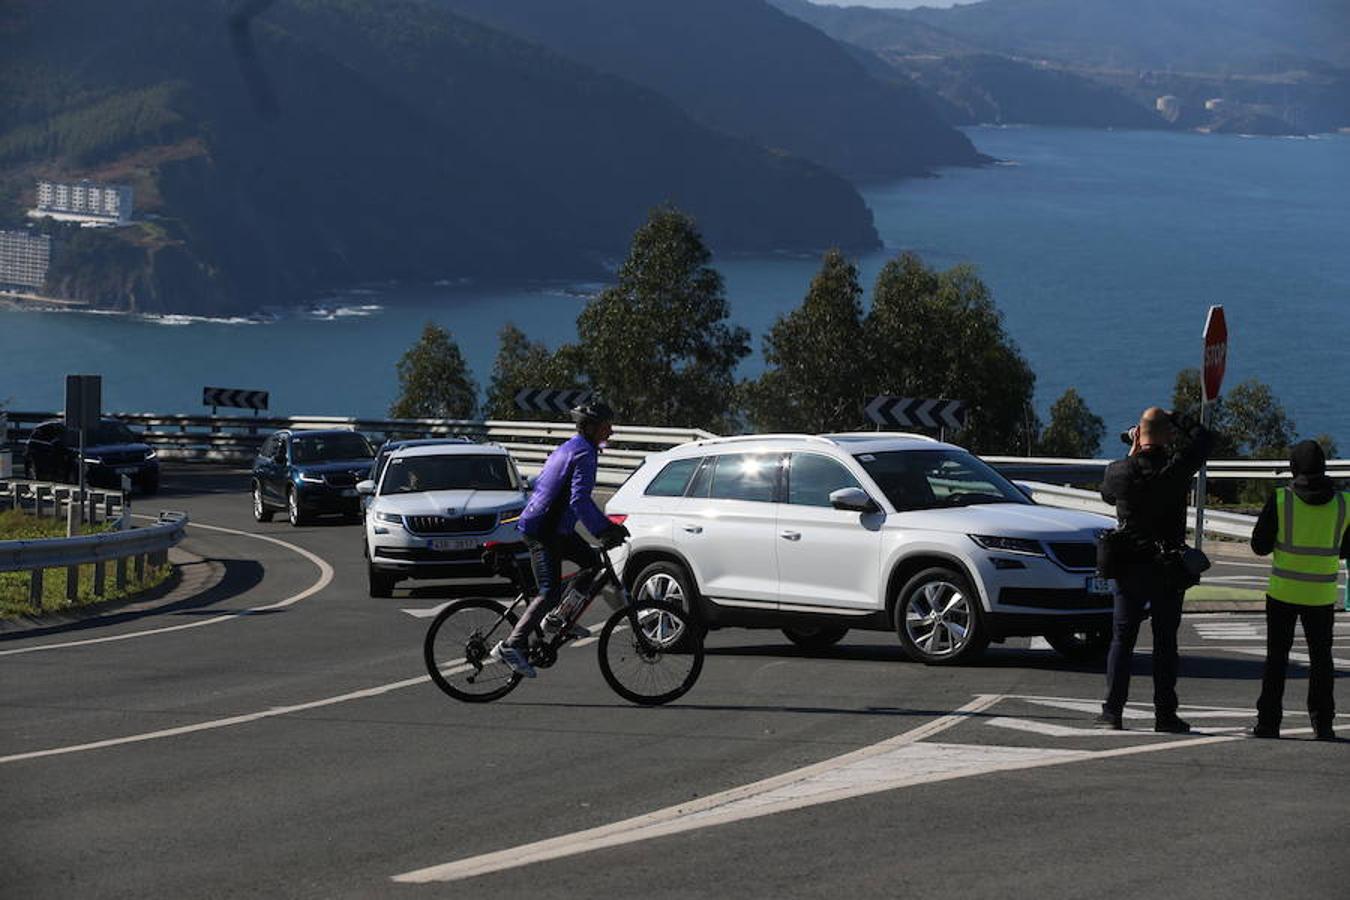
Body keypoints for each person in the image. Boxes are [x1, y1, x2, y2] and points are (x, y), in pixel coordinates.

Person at [1095, 407, 1216, 732]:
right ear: (1166, 436)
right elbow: (1206, 441)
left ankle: (1112, 712)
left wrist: (1131, 450)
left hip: (1128, 566)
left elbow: (1108, 495)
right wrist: (1178, 417)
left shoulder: (1119, 471)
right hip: (1166, 568)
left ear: (1139, 435)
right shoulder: (1175, 471)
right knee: (1165, 643)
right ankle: (1165, 714)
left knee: (1122, 639)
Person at [491, 401, 630, 677]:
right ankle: (512, 645)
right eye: (606, 426)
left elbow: (542, 483)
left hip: (554, 526)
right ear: (590, 427)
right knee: (549, 590)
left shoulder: (569, 447)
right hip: (545, 529)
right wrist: (603, 529)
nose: (611, 431)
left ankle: (557, 619)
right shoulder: (585, 454)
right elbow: (579, 499)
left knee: (593, 563)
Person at [1248, 440, 1348, 740]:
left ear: (1294, 467)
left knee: (1276, 659)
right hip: (1322, 594)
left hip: (1283, 592)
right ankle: (1323, 723)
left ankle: (1268, 722)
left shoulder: (1281, 500)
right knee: (1322, 660)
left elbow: (1259, 546)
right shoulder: (1343, 503)